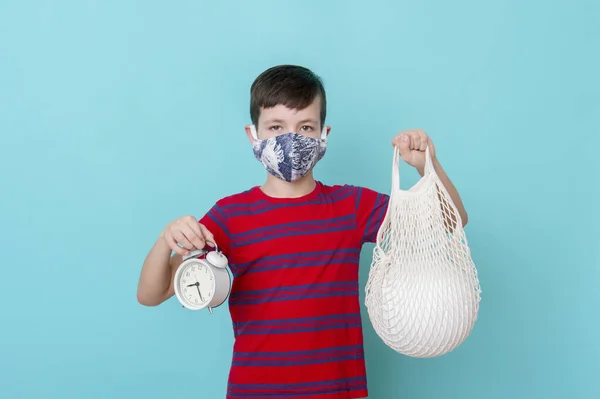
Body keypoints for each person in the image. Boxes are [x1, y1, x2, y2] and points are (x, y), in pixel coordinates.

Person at [136, 65, 469, 399]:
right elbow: (153, 293)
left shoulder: (351, 206)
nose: (290, 139)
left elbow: (451, 222)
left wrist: (428, 164)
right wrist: (167, 239)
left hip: (339, 392)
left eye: (305, 127)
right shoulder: (229, 216)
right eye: (276, 126)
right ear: (254, 135)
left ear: (324, 134)